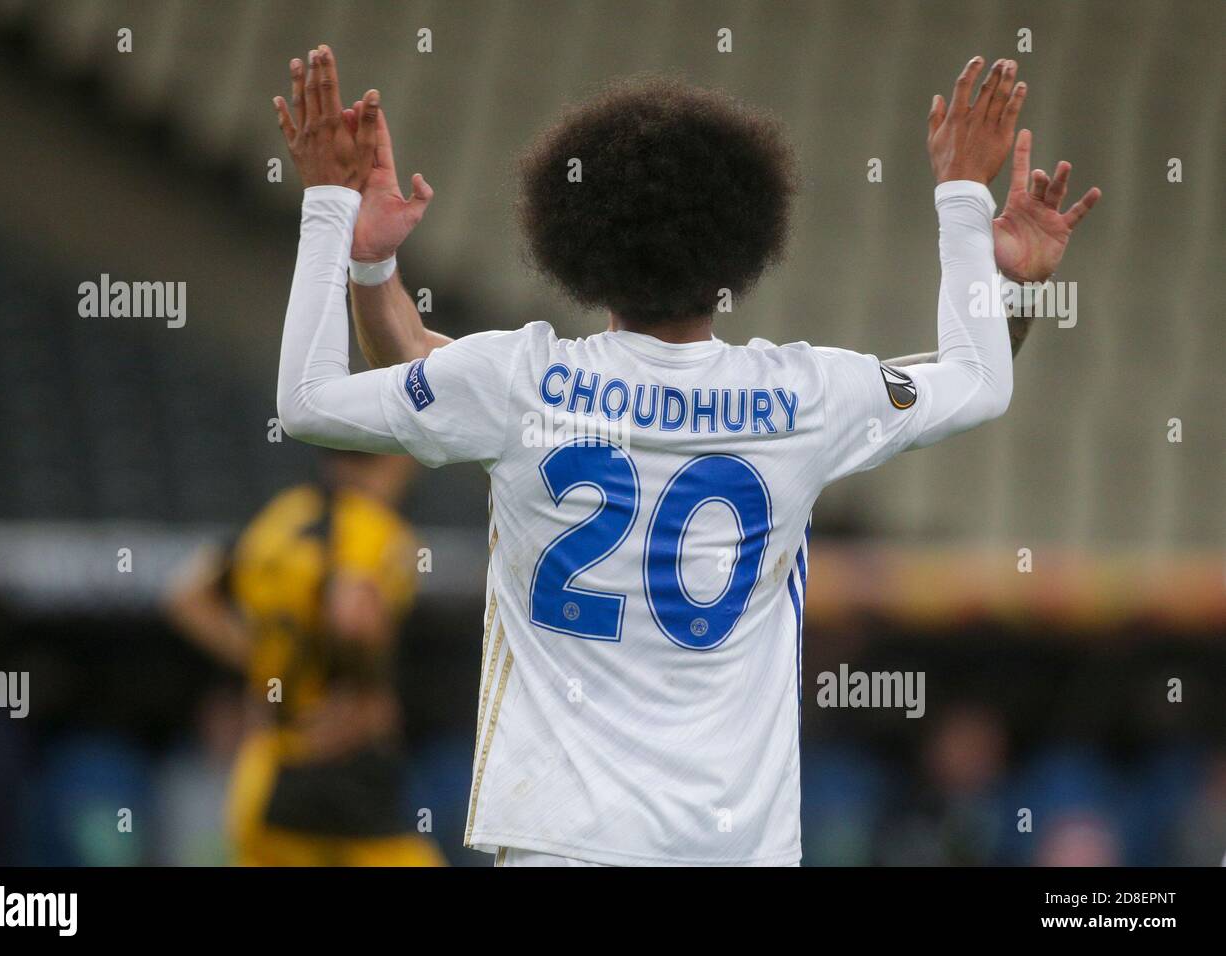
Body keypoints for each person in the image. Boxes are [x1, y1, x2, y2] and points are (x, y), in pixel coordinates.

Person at [270, 45, 1100, 866]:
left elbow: (329, 393)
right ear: (744, 244)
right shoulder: (804, 398)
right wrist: (974, 219)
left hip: (563, 841)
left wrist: (340, 225)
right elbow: (975, 380)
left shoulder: (520, 383)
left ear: (578, 246)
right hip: (733, 845)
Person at [165, 449, 443, 866]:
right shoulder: (372, 526)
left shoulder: (281, 518)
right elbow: (352, 613)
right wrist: (367, 694)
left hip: (261, 773)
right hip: (334, 770)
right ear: (396, 457)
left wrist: (263, 666)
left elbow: (185, 595)